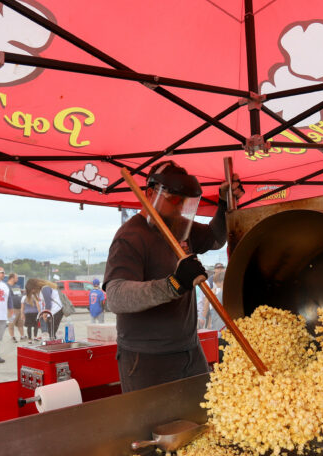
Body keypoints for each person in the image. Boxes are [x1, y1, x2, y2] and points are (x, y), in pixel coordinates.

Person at [103, 160, 243, 392]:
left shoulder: (177, 226)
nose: (180, 208)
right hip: (147, 358)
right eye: (174, 200)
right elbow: (116, 296)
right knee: (152, 426)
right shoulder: (130, 236)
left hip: (189, 350)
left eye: (185, 202)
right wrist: (174, 284)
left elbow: (215, 238)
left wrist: (223, 202)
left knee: (202, 419)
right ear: (150, 193)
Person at [0, 266, 11, 363]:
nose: (3, 274)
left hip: (1, 316)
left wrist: (11, 311)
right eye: (1, 272)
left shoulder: (5, 286)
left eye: (4, 272)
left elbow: (9, 300)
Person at [6, 273, 26, 342]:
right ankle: (12, 337)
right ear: (12, 278)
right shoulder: (6, 286)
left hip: (19, 308)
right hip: (12, 308)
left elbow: (18, 295)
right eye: (16, 278)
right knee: (11, 323)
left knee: (21, 324)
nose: (17, 279)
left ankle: (22, 336)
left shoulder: (16, 286)